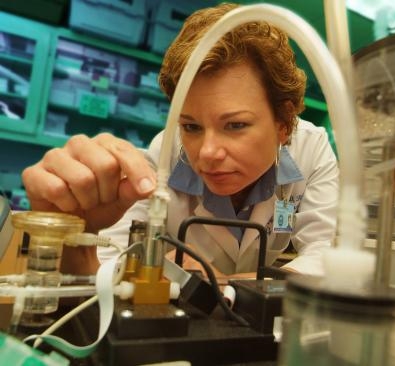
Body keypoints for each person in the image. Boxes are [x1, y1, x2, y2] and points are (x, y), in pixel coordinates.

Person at [22, 2, 338, 278]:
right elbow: (107, 266)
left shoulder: (311, 148)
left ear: (283, 124)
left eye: (235, 125)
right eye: (191, 127)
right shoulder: (164, 155)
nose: (208, 153)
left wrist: (228, 285)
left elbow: (328, 253)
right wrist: (75, 235)